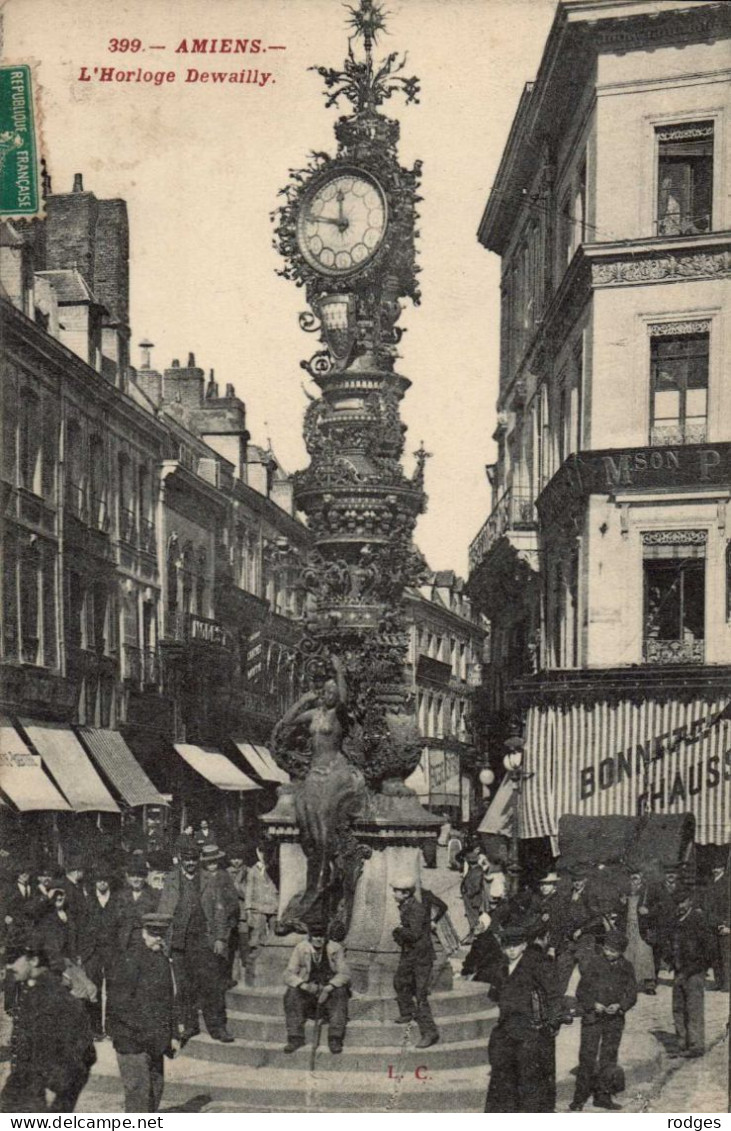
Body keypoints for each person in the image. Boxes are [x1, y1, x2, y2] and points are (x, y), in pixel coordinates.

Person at [273, 654, 365, 927]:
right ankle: (318, 871)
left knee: (325, 817)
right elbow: (287, 724)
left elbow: (346, 698)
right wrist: (303, 700)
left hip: (335, 770)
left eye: (331, 692)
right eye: (324, 692)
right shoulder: (314, 714)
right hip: (314, 773)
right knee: (305, 818)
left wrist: (339, 671)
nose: (328, 696)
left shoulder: (339, 714)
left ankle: (327, 872)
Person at [0, 944, 96, 1113]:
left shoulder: (53, 996)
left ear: (34, 961)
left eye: (13, 960)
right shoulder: (32, 989)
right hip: (27, 1085)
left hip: (41, 1089)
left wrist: (58, 1088)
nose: (8, 966)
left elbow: (83, 1051)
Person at [157, 843, 234, 1043]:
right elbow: (164, 911)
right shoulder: (172, 879)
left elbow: (219, 911)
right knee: (184, 987)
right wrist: (163, 939)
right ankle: (190, 1026)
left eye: (193, 859)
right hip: (179, 942)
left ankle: (217, 1027)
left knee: (211, 985)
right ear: (181, 859)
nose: (190, 863)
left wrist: (219, 938)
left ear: (198, 859)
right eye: (187, 859)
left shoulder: (209, 879)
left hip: (203, 940)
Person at [107, 912, 184, 1113]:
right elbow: (119, 1006)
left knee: (155, 1091)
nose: (158, 937)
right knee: (139, 1095)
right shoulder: (129, 959)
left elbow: (169, 1002)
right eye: (153, 933)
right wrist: (148, 1031)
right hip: (132, 1040)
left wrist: (173, 1035)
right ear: (143, 932)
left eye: (162, 933)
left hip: (155, 1041)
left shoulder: (162, 960)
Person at [484, 922, 562, 1113]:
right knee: (503, 1077)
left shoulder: (536, 963)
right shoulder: (502, 966)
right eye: (507, 946)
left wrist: (553, 1022)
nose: (511, 950)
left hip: (529, 1031)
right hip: (507, 1028)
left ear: (524, 945)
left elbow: (553, 993)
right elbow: (495, 993)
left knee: (529, 1079)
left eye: (515, 946)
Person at [570, 929, 637, 1111]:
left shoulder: (627, 967)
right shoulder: (594, 963)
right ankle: (579, 1098)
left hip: (614, 1020)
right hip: (593, 1018)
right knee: (587, 1057)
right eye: (606, 949)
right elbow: (581, 992)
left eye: (613, 951)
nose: (608, 953)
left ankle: (603, 1096)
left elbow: (632, 994)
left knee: (609, 1057)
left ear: (621, 952)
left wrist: (620, 1006)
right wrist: (593, 1004)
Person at [283, 920, 351, 1054]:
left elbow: (345, 973)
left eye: (321, 936)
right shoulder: (301, 948)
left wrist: (329, 987)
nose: (318, 939)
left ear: (326, 937)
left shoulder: (335, 948)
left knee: (341, 992)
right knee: (291, 993)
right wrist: (304, 985)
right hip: (309, 991)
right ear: (310, 937)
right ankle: (295, 1037)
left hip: (328, 991)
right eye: (315, 936)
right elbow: (288, 974)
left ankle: (335, 1037)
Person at [391, 877, 439, 1049]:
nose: (393, 894)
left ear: (405, 893)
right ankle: (407, 1012)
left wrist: (398, 932)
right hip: (410, 953)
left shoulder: (416, 908)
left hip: (421, 956)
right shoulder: (407, 905)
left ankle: (429, 1032)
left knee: (420, 995)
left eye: (395, 890)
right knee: (400, 981)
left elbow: (414, 934)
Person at [668, 891, 713, 1059]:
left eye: (682, 902)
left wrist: (695, 969)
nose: (679, 906)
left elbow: (708, 950)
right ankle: (682, 1043)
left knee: (693, 1008)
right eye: (677, 903)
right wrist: (671, 961)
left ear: (689, 901)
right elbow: (670, 943)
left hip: (694, 972)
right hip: (679, 971)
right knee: (678, 1008)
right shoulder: (674, 921)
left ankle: (696, 1045)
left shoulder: (699, 921)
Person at [78, 863, 120, 1040]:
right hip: (93, 951)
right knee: (93, 988)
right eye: (99, 880)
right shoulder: (88, 901)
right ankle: (95, 1029)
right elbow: (81, 927)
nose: (102, 884)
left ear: (109, 882)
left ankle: (111, 1028)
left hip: (111, 950)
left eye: (105, 880)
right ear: (94, 882)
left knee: (113, 988)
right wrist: (83, 952)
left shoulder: (117, 900)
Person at [624, 870, 656, 993]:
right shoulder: (626, 894)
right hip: (629, 928)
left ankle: (649, 984)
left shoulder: (648, 894)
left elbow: (659, 907)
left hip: (642, 928)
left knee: (645, 954)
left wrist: (648, 911)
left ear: (641, 881)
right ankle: (631, 984)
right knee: (629, 955)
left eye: (636, 879)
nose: (634, 882)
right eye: (632, 879)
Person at [118, 858, 159, 952]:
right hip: (124, 944)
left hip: (146, 945)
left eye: (139, 876)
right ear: (127, 877)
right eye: (132, 876)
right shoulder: (121, 895)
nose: (136, 879)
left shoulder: (153, 896)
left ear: (145, 877)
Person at [36, 884, 80, 969]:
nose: (59, 897)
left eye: (61, 895)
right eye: (56, 895)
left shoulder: (70, 916)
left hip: (71, 960)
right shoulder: (46, 917)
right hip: (54, 961)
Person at [702, 863, 730, 992]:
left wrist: (728, 924)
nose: (715, 869)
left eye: (717, 867)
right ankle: (718, 982)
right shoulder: (710, 882)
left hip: (723, 924)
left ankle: (727, 984)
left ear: (723, 868)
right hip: (711, 924)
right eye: (713, 867)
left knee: (726, 955)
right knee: (715, 955)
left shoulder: (727, 882)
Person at [244, 845, 278, 948]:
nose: (264, 855)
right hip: (258, 906)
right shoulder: (253, 870)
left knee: (274, 933)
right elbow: (249, 890)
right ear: (258, 853)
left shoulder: (274, 868)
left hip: (274, 905)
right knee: (257, 933)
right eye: (262, 852)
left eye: (267, 852)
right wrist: (248, 908)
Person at [226, 846, 249, 981]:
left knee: (244, 948)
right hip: (230, 916)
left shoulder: (248, 872)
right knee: (230, 948)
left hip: (243, 917)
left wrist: (236, 886)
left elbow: (248, 894)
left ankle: (244, 977)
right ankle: (231, 977)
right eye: (233, 859)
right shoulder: (225, 873)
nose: (236, 862)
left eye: (239, 859)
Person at [460, 848, 484, 942]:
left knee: (474, 917)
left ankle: (474, 936)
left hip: (473, 899)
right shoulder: (474, 869)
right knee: (471, 917)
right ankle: (472, 933)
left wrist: (468, 894)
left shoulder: (477, 871)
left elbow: (476, 886)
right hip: (470, 898)